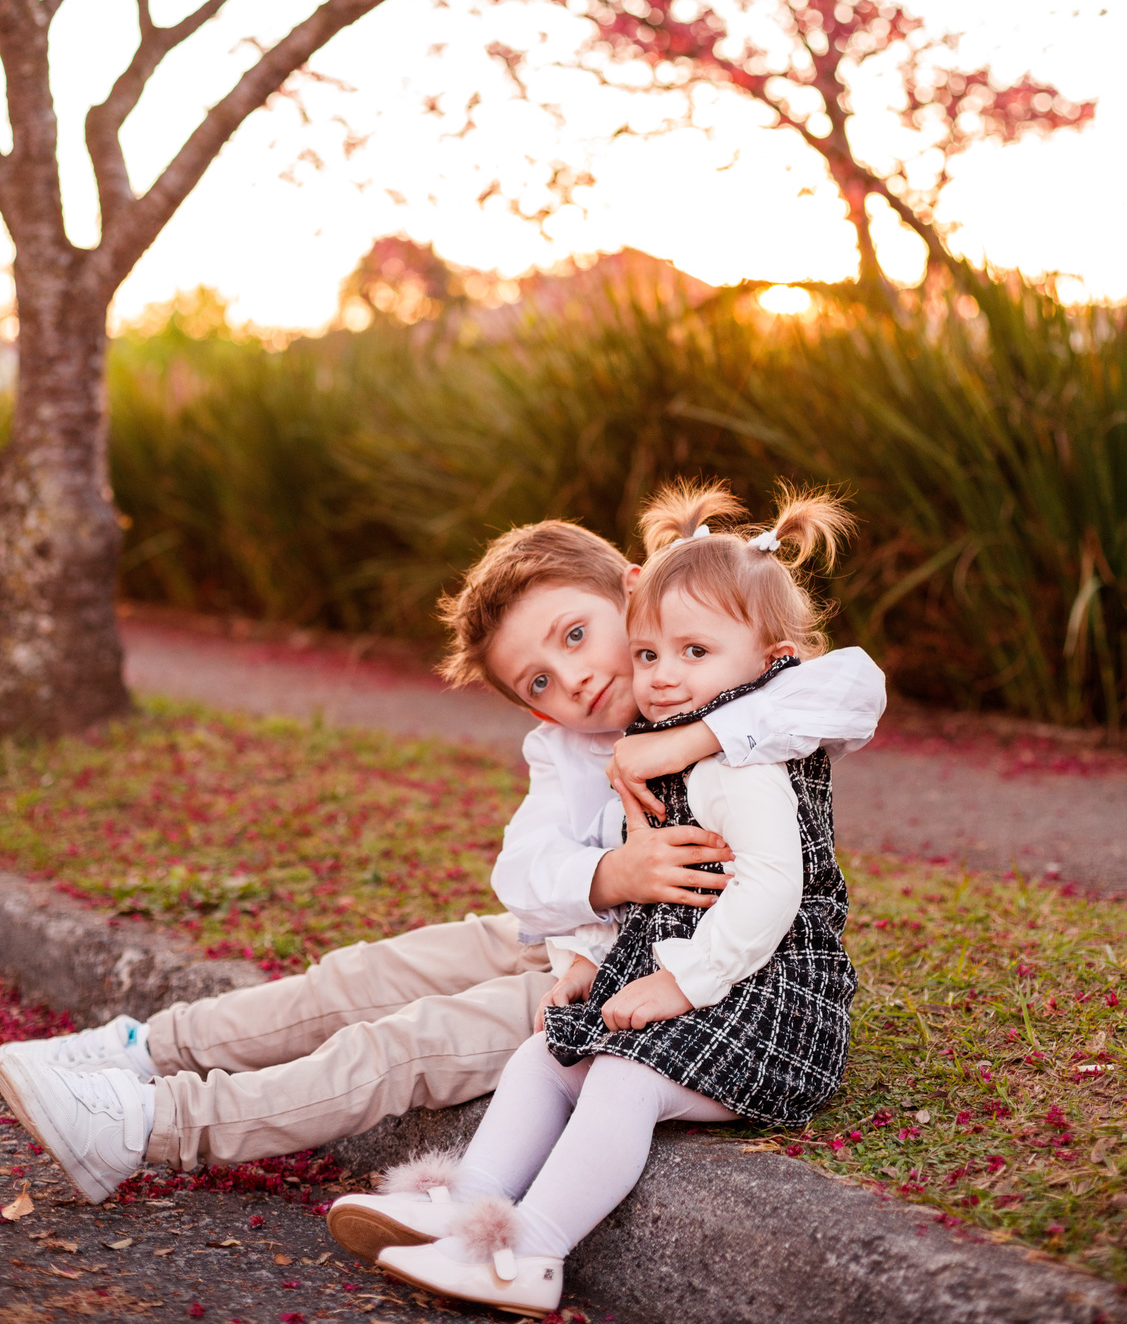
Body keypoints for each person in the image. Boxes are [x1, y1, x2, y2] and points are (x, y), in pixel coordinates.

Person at [0, 514, 882, 1214]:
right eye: (537, 679)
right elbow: (526, 868)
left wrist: (690, 736)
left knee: (403, 1046)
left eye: (576, 635)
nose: (571, 680)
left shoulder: (744, 679)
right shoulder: (563, 749)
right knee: (356, 977)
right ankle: (142, 1052)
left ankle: (158, 1126)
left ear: (635, 588)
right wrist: (609, 877)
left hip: (642, 973)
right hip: (568, 931)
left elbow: (854, 687)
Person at [365, 481, 867, 1318]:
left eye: (694, 654)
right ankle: (462, 1208)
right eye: (649, 656)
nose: (664, 678)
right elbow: (618, 889)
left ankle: (531, 1251)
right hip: (700, 990)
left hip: (769, 1006)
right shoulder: (640, 749)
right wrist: (581, 960)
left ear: (769, 658)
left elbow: (772, 891)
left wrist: (679, 986)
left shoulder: (741, 758)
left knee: (621, 1081)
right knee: (545, 1056)